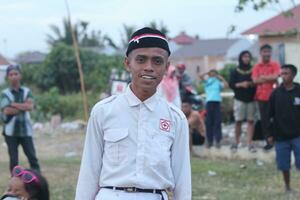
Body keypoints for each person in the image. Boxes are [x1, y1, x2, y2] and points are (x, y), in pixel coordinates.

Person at [76, 27, 191, 200]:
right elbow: (89, 172)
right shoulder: (103, 111)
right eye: (141, 60)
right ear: (128, 63)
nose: (149, 67)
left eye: (157, 61)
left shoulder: (176, 118)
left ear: (167, 67)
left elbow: (183, 179)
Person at [0, 64, 40, 172]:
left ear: (20, 75)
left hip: (26, 130)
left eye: (16, 74)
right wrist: (24, 106)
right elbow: (6, 110)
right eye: (11, 74)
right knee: (14, 161)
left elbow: (30, 106)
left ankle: (37, 182)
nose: (13, 76)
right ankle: (15, 184)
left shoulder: (27, 91)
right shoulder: (4, 93)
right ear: (8, 77)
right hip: (10, 132)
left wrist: (13, 104)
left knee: (32, 158)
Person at [268, 64, 300, 193]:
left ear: (293, 75)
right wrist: (269, 134)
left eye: (286, 73)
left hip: (298, 134)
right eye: (282, 73)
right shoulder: (275, 93)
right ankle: (287, 187)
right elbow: (269, 115)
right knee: (283, 165)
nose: (283, 76)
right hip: (281, 136)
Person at [252, 44, 281, 150]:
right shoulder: (256, 66)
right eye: (264, 51)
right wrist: (270, 78)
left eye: (268, 51)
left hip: (275, 97)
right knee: (265, 121)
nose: (267, 54)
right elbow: (255, 81)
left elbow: (277, 76)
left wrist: (263, 77)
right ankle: (268, 141)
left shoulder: (275, 64)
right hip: (261, 97)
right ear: (261, 53)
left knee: (277, 119)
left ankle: (278, 140)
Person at [229, 51, 257, 152]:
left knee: (250, 121)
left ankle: (249, 143)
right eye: (244, 57)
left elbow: (257, 81)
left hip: (251, 99)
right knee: (238, 121)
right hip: (239, 99)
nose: (246, 58)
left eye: (248, 57)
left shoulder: (254, 70)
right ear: (241, 58)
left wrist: (249, 83)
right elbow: (231, 84)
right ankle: (236, 142)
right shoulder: (235, 70)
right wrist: (241, 84)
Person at [199, 69, 228, 148]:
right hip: (209, 102)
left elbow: (226, 86)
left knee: (217, 122)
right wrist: (207, 72)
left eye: (214, 73)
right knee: (209, 122)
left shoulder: (217, 82)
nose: (213, 74)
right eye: (212, 73)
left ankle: (218, 141)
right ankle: (210, 141)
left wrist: (221, 78)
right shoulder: (207, 81)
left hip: (217, 102)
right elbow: (200, 76)